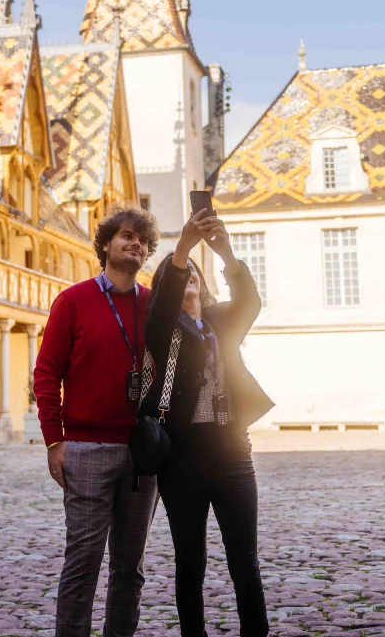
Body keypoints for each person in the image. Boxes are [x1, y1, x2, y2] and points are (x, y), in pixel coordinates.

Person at [140, 209, 274, 637]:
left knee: (244, 560)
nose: (189, 276)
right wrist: (181, 249)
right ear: (168, 286)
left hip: (234, 454)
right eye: (179, 274)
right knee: (190, 563)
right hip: (181, 460)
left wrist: (226, 252)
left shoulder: (222, 322)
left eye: (194, 271)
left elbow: (251, 301)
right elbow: (160, 313)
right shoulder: (161, 329)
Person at [34, 205, 160, 637]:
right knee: (83, 564)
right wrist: (55, 440)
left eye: (142, 240)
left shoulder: (153, 304)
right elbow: (47, 373)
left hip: (141, 452)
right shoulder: (73, 301)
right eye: (126, 236)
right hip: (87, 449)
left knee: (130, 569)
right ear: (105, 244)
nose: (135, 244)